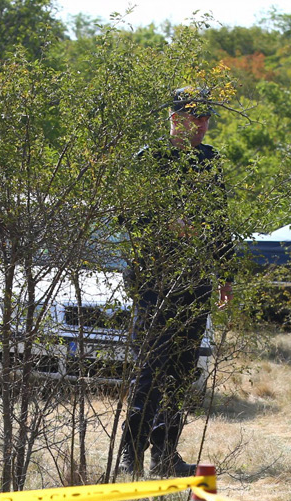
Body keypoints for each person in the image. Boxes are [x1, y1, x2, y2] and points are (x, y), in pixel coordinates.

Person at [120, 86, 233, 479]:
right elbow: (127, 216)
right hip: (154, 281)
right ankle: (130, 452)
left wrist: (225, 274)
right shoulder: (149, 159)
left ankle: (165, 453)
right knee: (151, 368)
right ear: (173, 118)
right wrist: (165, 223)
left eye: (204, 117)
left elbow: (220, 222)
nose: (199, 124)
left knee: (182, 372)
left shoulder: (210, 160)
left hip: (195, 281)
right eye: (191, 116)